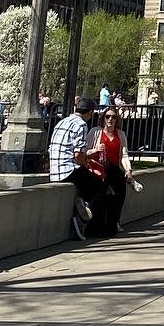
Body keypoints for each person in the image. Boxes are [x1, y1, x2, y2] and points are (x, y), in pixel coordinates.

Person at [50, 96, 107, 238]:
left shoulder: (63, 121)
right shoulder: (81, 125)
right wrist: (85, 163)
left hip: (55, 169)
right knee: (100, 186)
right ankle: (83, 221)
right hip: (68, 170)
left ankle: (83, 203)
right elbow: (77, 155)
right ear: (90, 112)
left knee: (88, 182)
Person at [87, 106, 133, 236]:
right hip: (97, 168)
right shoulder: (95, 132)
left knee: (119, 192)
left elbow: (124, 155)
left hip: (113, 170)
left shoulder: (121, 134)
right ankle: (96, 226)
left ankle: (113, 224)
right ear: (103, 119)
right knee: (103, 193)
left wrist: (128, 170)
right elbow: (85, 152)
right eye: (108, 117)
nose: (110, 119)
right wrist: (95, 150)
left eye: (113, 117)